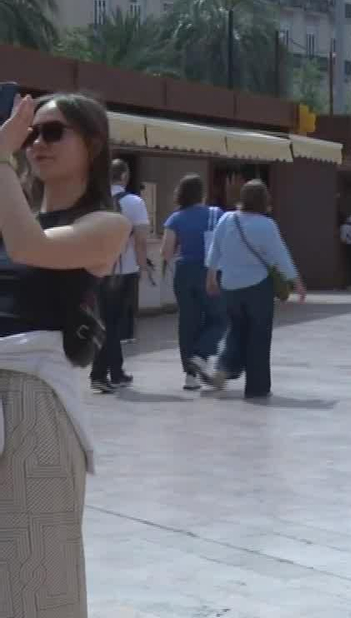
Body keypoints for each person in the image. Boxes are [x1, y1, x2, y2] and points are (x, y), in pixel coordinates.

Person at [0, 91, 132, 618]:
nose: (37, 144)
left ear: (93, 144)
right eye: (31, 134)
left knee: (37, 569)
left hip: (34, 396)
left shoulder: (107, 223)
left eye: (53, 132)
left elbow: (33, 248)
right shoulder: (14, 213)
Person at [194, 179, 305, 397]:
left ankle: (223, 369)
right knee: (259, 336)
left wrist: (211, 277)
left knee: (237, 330)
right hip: (257, 288)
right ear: (265, 200)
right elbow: (280, 256)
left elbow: (215, 249)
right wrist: (297, 282)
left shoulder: (226, 219)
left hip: (230, 286)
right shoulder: (266, 224)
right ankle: (257, 387)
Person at [161, 174, 225, 391]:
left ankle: (190, 377)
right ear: (202, 193)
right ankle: (201, 354)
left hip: (184, 273)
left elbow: (166, 252)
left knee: (188, 322)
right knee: (219, 318)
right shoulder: (217, 215)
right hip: (210, 272)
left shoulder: (175, 218)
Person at [89, 158, 148, 391]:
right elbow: (142, 240)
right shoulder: (135, 202)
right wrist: (143, 267)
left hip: (97, 269)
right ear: (124, 176)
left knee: (104, 320)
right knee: (114, 324)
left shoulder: (95, 201)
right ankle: (100, 374)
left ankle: (115, 371)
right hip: (124, 269)